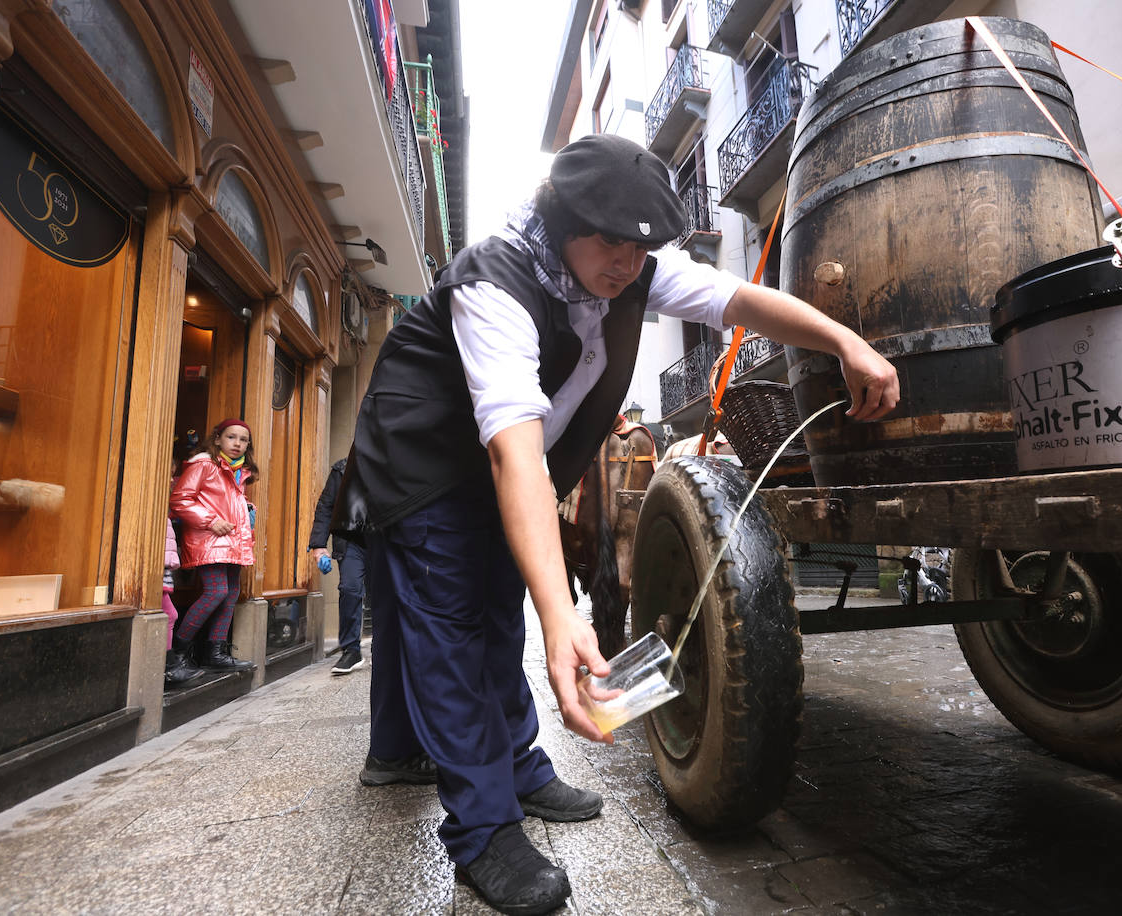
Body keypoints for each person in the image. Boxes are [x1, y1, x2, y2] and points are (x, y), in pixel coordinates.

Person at [332, 134, 899, 915]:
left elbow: (739, 300)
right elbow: (514, 452)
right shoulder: (493, 284)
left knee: (497, 614)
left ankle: (520, 769)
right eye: (610, 242)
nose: (628, 264)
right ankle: (482, 829)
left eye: (642, 248)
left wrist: (844, 341)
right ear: (562, 219)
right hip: (425, 464)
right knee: (454, 627)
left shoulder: (634, 268)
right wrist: (560, 615)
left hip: (504, 469)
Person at [169, 418, 260, 673]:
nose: (237, 443)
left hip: (232, 541)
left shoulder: (240, 472)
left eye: (243, 440)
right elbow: (180, 499)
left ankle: (215, 653)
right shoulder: (205, 465)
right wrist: (211, 521)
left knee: (231, 593)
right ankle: (177, 652)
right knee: (216, 591)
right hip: (209, 539)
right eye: (231, 437)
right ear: (217, 439)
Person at [308, 457, 368, 675]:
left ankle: (386, 647)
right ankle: (351, 650)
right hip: (350, 539)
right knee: (350, 589)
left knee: (387, 594)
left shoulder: (394, 460)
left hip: (385, 539)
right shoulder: (342, 468)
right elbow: (326, 506)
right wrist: (318, 545)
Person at [163, 514, 203, 687]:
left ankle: (171, 664)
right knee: (169, 614)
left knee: (170, 614)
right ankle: (169, 667)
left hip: (164, 560)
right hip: (159, 560)